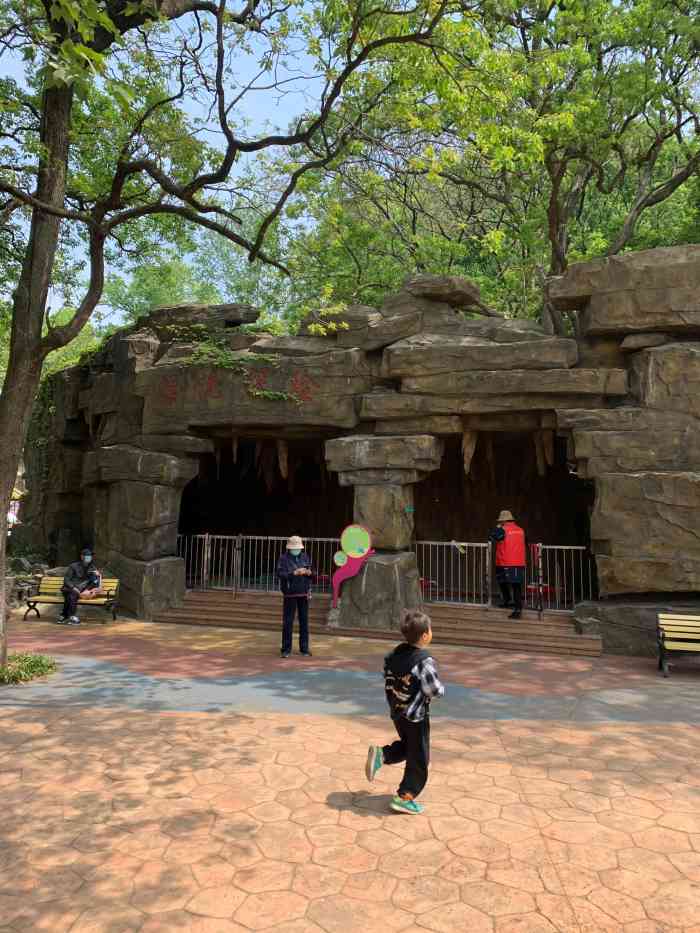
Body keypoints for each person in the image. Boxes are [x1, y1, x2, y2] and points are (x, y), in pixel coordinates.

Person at [365, 609, 444, 815]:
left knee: (409, 745)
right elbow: (433, 690)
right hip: (416, 716)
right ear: (425, 635)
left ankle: (383, 755)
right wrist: (441, 690)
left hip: (398, 712)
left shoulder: (394, 654)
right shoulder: (424, 661)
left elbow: (387, 674)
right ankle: (405, 796)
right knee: (419, 757)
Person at [276, 535, 313, 659]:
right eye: (294, 548)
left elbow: (311, 572)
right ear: (289, 548)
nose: (296, 550)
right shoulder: (283, 558)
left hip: (303, 592)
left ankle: (304, 648)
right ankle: (286, 649)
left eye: (298, 548)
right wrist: (294, 573)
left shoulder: (305, 556)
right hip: (290, 593)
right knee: (288, 622)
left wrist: (308, 572)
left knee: (304, 622)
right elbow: (280, 574)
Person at [490, 509, 526, 619]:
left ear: (503, 521)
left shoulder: (502, 529)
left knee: (504, 582)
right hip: (519, 562)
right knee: (516, 585)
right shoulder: (521, 530)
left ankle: (517, 610)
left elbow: (492, 537)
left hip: (504, 561)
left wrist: (497, 528)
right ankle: (511, 603)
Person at [58, 548, 102, 625]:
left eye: (90, 556)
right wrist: (74, 588)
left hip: (81, 591)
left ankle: (64, 615)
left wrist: (88, 589)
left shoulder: (92, 568)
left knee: (71, 596)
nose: (89, 557)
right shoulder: (73, 566)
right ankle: (71, 616)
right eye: (87, 555)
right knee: (72, 594)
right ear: (82, 556)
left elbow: (95, 582)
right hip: (69, 588)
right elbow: (66, 580)